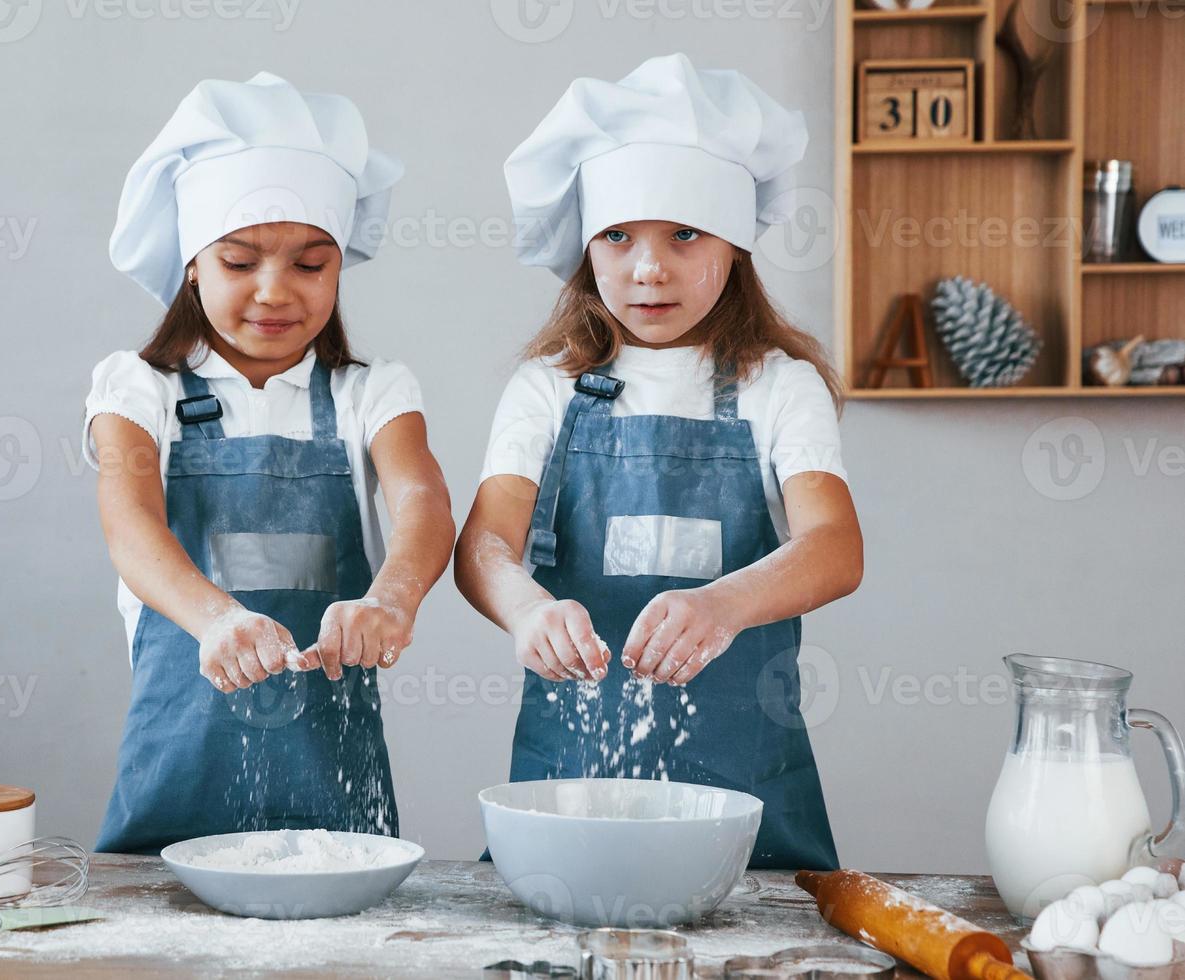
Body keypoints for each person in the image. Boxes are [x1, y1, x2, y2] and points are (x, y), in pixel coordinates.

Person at [454, 54, 863, 870]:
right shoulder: (547, 388)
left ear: (735, 243)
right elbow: (481, 548)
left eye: (684, 233)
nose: (648, 268)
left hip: (744, 794)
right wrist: (527, 610)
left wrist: (726, 603)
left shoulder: (776, 387)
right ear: (585, 250)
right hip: (570, 788)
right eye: (617, 235)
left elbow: (835, 547)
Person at [87, 71, 455, 855]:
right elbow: (131, 529)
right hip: (176, 773)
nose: (273, 291)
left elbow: (422, 503)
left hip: (334, 793)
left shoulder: (372, 392)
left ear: (338, 267)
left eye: (309, 265)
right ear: (192, 262)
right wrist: (216, 619)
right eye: (239, 261)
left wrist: (391, 600)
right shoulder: (137, 386)